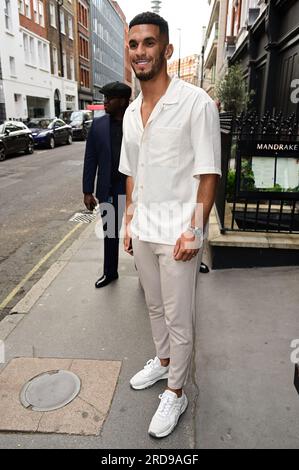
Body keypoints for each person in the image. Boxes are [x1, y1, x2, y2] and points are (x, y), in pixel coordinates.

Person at [119, 12, 221, 438]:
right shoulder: (130, 112)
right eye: (134, 44)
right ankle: (162, 365)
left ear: (166, 49)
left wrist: (194, 230)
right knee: (155, 308)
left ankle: (176, 392)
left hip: (179, 233)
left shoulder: (195, 102)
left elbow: (209, 173)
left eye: (148, 43)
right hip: (144, 229)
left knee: (179, 318)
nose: (140, 51)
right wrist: (127, 220)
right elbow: (132, 171)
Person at [83, 81, 132, 288]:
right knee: (110, 234)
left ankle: (145, 272)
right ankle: (110, 272)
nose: (105, 102)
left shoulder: (136, 122)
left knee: (138, 234)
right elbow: (90, 158)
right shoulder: (99, 125)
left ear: (121, 101)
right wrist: (88, 191)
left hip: (133, 191)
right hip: (109, 189)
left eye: (109, 99)